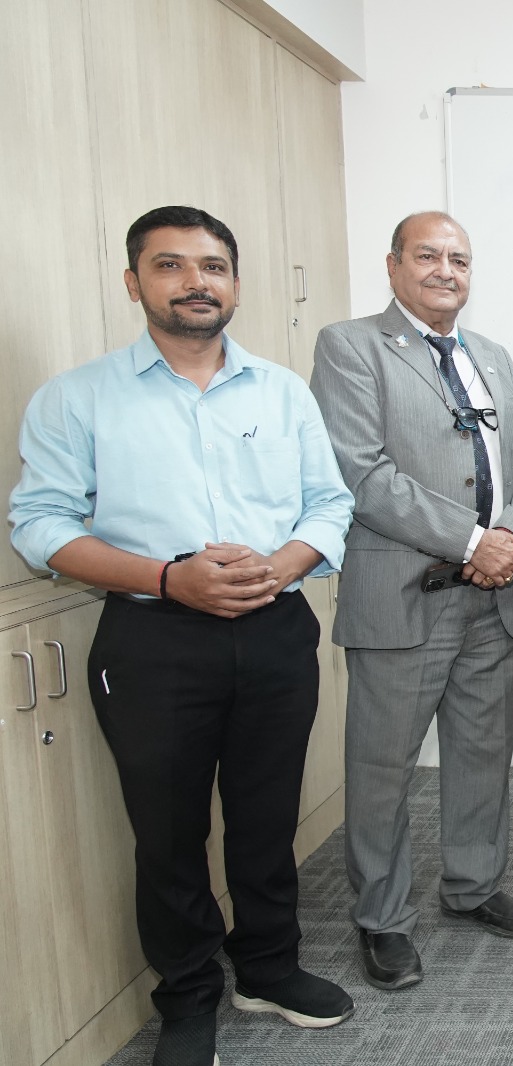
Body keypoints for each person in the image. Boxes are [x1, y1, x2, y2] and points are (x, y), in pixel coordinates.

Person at [9, 206, 356, 1066]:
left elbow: (330, 504)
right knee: (167, 833)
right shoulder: (78, 398)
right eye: (170, 265)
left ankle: (268, 968)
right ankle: (189, 994)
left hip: (275, 630)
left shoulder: (282, 391)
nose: (196, 282)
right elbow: (41, 526)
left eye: (213, 266)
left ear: (235, 284)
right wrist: (170, 578)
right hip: (153, 639)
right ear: (134, 284)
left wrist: (278, 568)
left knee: (266, 818)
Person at [310, 211, 513, 991]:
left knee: (482, 753)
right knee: (382, 767)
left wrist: (509, 537)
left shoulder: (493, 356)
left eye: (460, 259)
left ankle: (473, 886)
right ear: (393, 266)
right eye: (428, 255)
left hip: (493, 598)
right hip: (402, 597)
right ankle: (382, 917)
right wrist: (472, 540)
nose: (446, 270)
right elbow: (363, 474)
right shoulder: (351, 347)